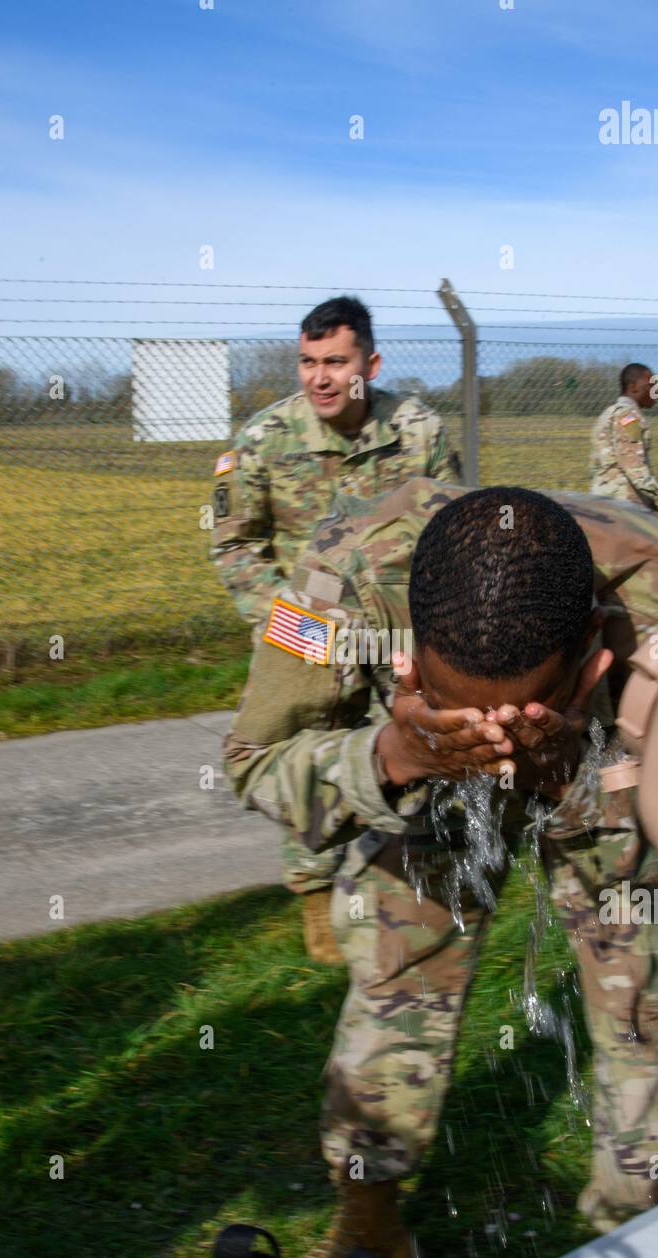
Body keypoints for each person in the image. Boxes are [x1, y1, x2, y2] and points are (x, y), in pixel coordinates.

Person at [224, 476, 658, 1258]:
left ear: (594, 642)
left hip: (606, 777)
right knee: (396, 980)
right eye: (459, 705)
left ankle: (651, 1245)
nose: (490, 740)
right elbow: (254, 763)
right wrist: (397, 754)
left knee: (642, 1001)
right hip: (424, 778)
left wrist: (585, 775)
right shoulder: (339, 582)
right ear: (410, 642)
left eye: (519, 711)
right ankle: (367, 1228)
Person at [211, 296, 461, 964]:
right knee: (308, 758)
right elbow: (235, 547)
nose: (319, 376)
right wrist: (292, 627)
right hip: (305, 632)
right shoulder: (265, 441)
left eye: (335, 361)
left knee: (410, 756)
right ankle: (317, 906)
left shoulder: (417, 432)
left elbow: (452, 532)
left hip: (395, 629)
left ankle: (403, 903)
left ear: (369, 364)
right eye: (307, 362)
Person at [590, 363, 658, 515]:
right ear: (633, 387)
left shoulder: (608, 413)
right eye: (651, 385)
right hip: (623, 504)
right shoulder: (628, 416)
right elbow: (632, 463)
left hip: (604, 500)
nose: (655, 391)